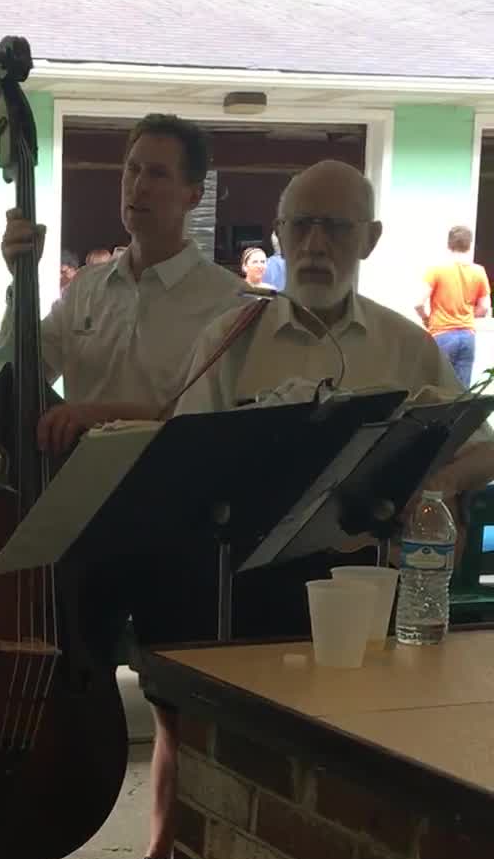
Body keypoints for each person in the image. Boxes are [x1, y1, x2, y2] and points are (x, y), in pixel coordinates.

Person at [0, 112, 242, 859]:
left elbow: (204, 422)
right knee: (37, 691)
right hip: (81, 528)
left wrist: (105, 412)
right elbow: (19, 370)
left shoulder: (230, 304)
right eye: (129, 170)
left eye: (156, 174)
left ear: (191, 192)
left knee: (177, 711)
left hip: (176, 534)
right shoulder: (92, 289)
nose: (137, 187)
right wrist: (19, 279)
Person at [175, 161, 487, 626]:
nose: (315, 245)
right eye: (300, 225)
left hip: (367, 584)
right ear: (279, 233)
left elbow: (485, 450)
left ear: (370, 238)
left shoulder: (404, 343)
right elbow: (179, 462)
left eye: (338, 227)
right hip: (245, 585)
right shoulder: (229, 339)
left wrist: (439, 485)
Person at [416, 224, 491, 389]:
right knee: (461, 393)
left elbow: (418, 303)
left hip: (441, 334)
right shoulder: (479, 271)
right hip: (467, 336)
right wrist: (468, 314)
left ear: (449, 245)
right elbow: (485, 307)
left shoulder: (437, 270)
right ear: (470, 245)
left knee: (438, 389)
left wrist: (427, 319)